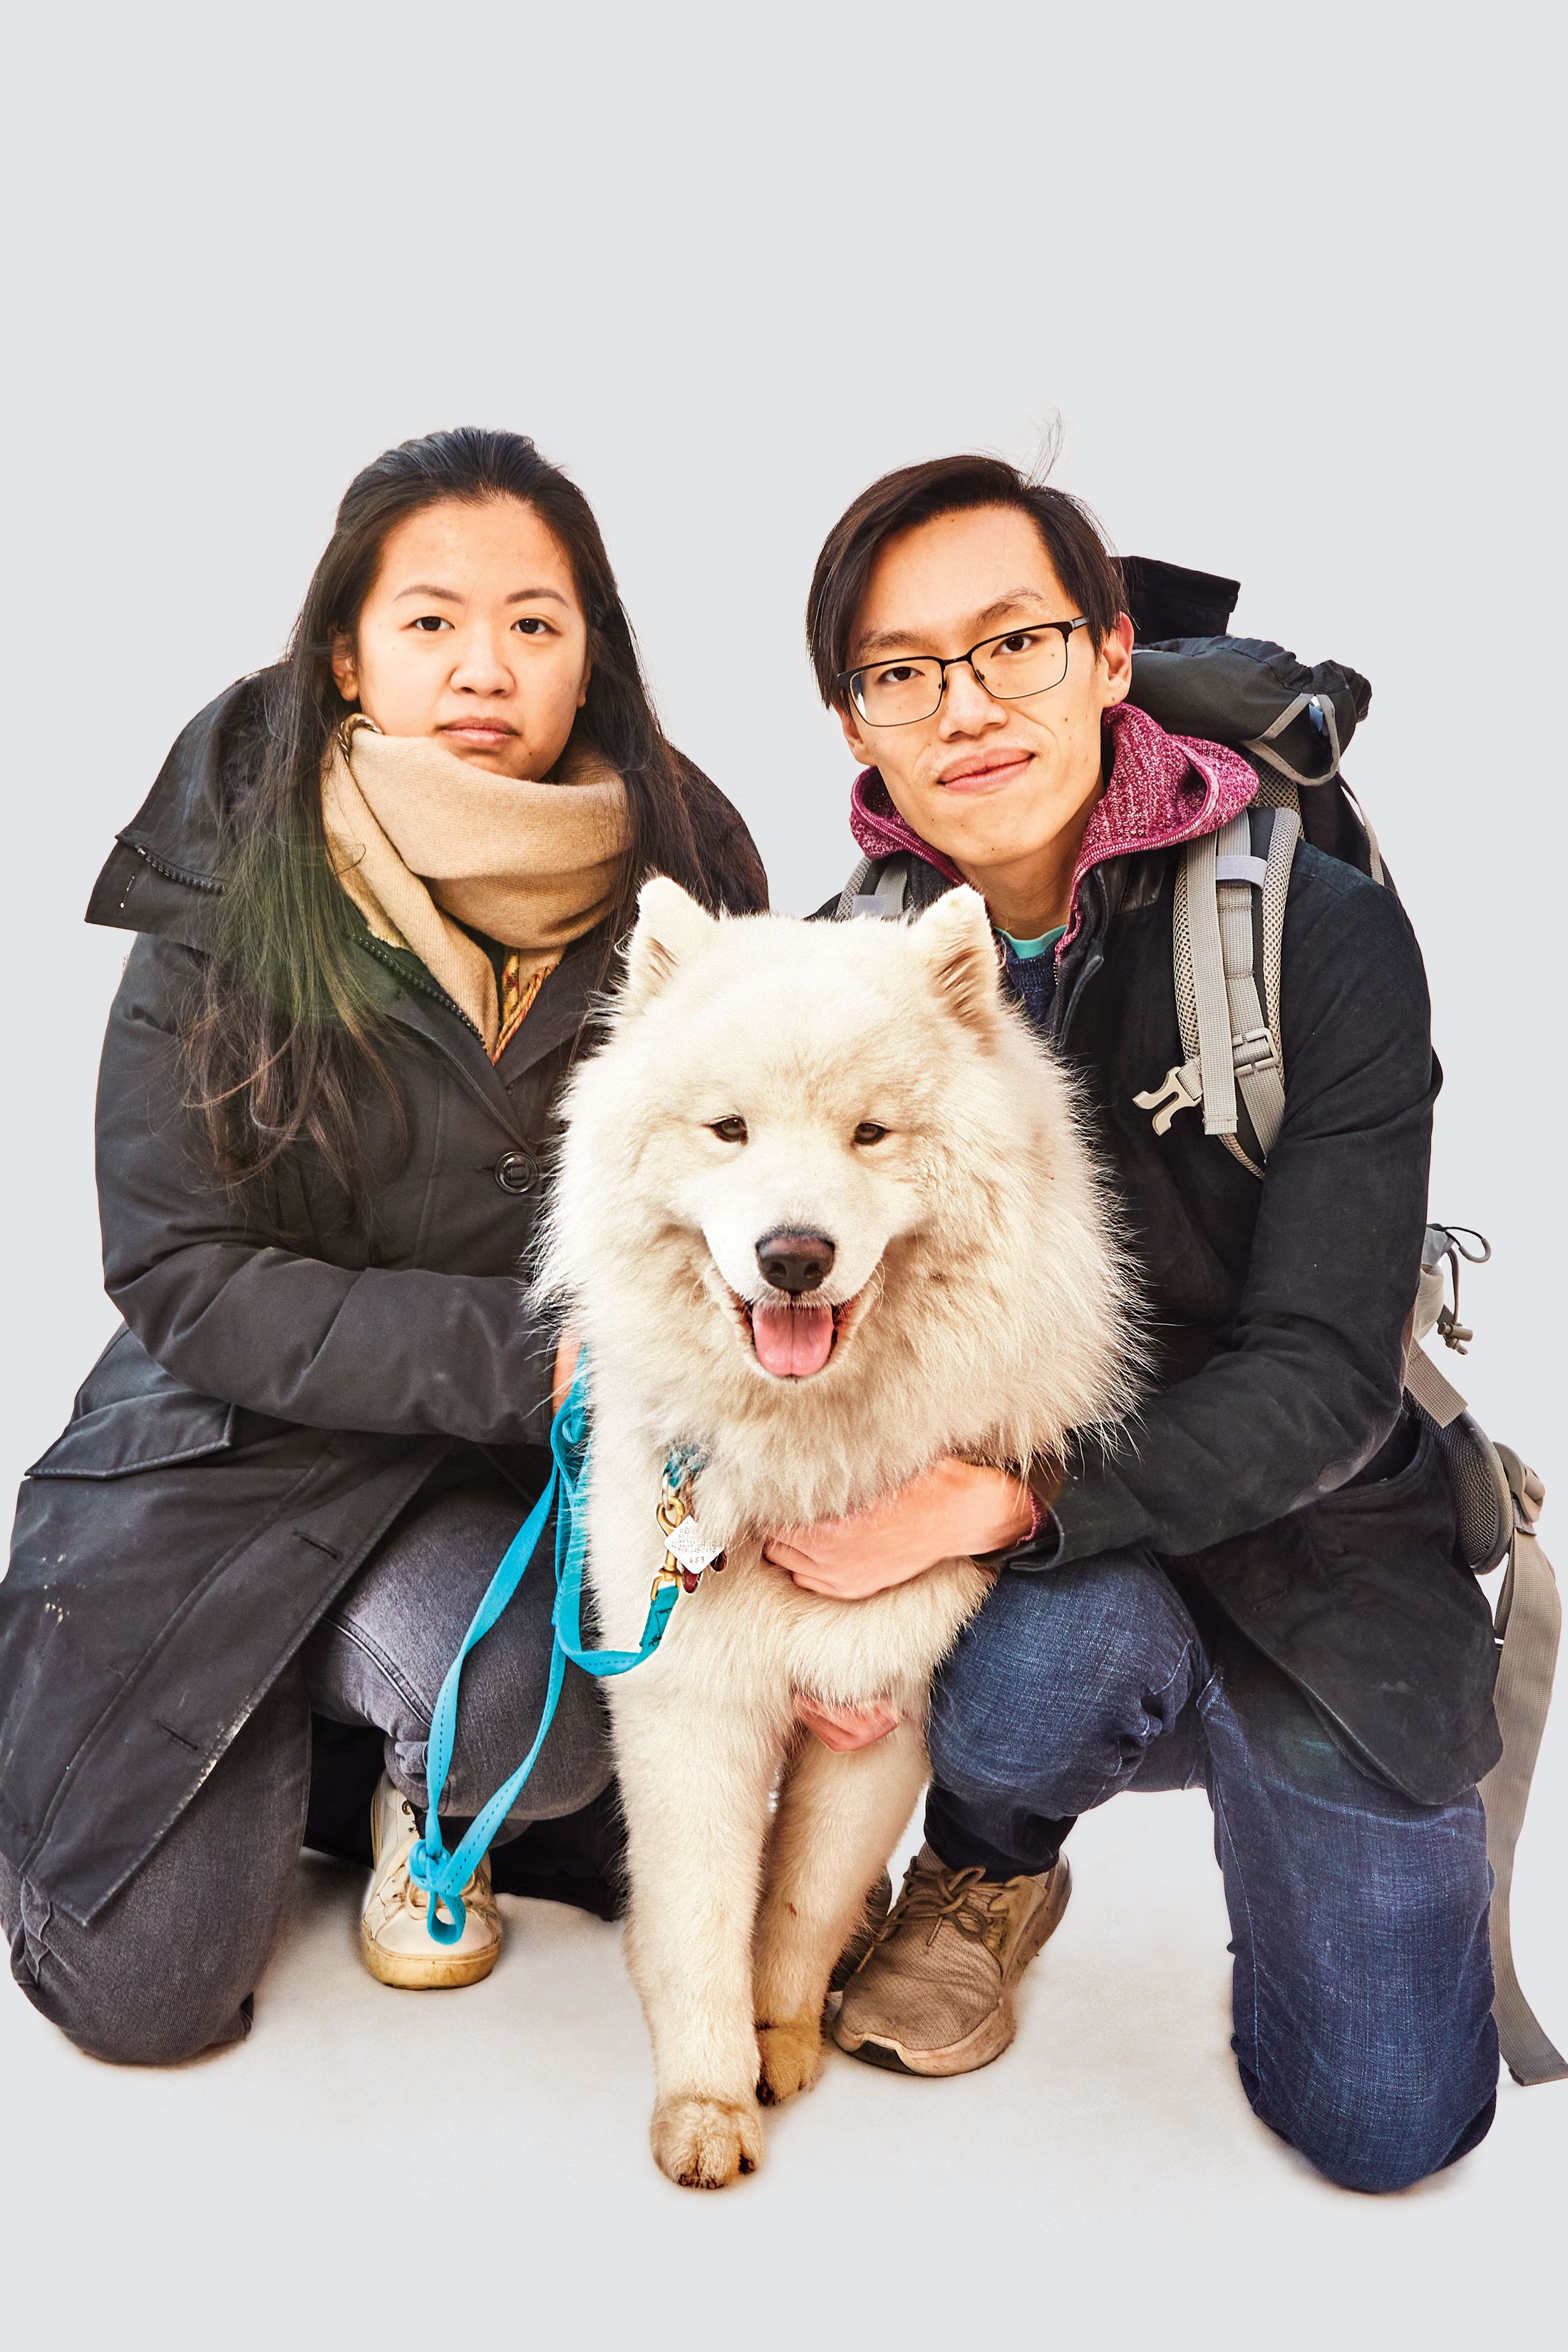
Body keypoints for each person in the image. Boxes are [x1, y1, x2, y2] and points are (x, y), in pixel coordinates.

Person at [766, 455, 1500, 2192]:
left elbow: (1323, 1380)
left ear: (1107, 656)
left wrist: (1003, 1500)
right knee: (1038, 1670)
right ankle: (994, 1850)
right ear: (851, 724)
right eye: (901, 671)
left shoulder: (1311, 939)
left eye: (1012, 643)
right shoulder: (830, 977)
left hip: (1316, 1543)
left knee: (1386, 2124)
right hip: (1040, 1587)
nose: (965, 708)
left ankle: (1288, 1814)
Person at [0, 426, 766, 2060]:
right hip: (231, 1451)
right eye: (429, 620)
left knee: (542, 1728)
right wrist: (533, 1352)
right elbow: (177, 1266)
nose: (481, 664)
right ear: (348, 651)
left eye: (533, 623)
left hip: (503, 1475)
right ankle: (206, 1706)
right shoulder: (232, 863)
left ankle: (384, 1768)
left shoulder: (688, 881)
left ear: (589, 658)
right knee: (145, 2008)